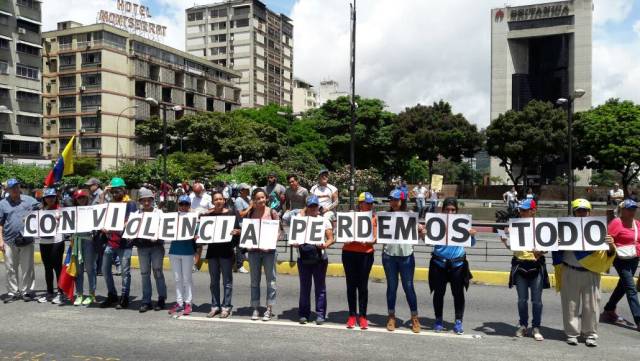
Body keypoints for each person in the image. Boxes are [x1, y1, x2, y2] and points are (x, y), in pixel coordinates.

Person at [552, 199, 616, 347]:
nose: (582, 213)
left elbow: (609, 254)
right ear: (574, 212)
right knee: (570, 305)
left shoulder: (599, 228)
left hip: (591, 272)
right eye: (578, 210)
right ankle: (572, 333)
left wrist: (611, 244)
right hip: (570, 270)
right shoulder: (564, 229)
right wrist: (557, 242)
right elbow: (553, 248)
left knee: (592, 306)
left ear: (589, 212)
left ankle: (590, 334)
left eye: (584, 210)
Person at [500, 199, 549, 341]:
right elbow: (512, 247)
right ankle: (523, 325)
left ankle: (536, 327)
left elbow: (547, 246)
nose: (521, 212)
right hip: (520, 264)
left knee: (537, 300)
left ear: (533, 211)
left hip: (536, 264)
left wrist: (541, 251)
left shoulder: (541, 226)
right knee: (522, 300)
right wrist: (506, 239)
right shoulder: (514, 225)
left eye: (525, 210)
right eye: (520, 210)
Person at [429, 197, 476, 335]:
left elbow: (471, 244)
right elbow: (427, 240)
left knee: (458, 294)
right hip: (439, 264)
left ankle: (458, 321)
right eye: (447, 209)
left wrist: (472, 235)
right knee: (438, 293)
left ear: (457, 211)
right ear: (443, 210)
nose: (450, 212)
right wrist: (423, 233)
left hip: (458, 265)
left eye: (453, 210)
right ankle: (438, 320)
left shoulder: (463, 224)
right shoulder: (436, 223)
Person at [383, 189, 422, 333]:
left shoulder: (411, 216)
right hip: (389, 255)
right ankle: (391, 316)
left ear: (403, 200)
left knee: (409, 287)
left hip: (406, 255)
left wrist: (421, 230)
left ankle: (415, 317)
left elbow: (419, 231)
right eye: (391, 199)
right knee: (391, 287)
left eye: (396, 200)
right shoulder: (386, 216)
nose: (393, 202)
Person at [295, 195, 335, 325]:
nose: (313, 208)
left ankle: (320, 314)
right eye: (310, 206)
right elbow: (294, 238)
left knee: (320, 287)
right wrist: (295, 243)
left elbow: (330, 238)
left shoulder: (324, 220)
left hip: (319, 258)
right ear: (306, 207)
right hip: (303, 258)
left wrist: (325, 245)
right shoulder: (300, 220)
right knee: (304, 287)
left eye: (315, 206)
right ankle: (303, 314)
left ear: (318, 207)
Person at [601, 199, 640, 329]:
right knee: (631, 289)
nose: (632, 211)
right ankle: (638, 319)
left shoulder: (637, 224)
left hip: (634, 258)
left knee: (622, 286)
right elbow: (607, 239)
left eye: (634, 208)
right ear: (622, 210)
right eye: (629, 209)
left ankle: (609, 309)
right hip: (620, 258)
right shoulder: (617, 222)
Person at [99, 177, 138, 310]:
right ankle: (112, 294)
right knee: (105, 269)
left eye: (118, 191)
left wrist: (114, 227)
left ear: (124, 190)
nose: (115, 193)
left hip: (124, 243)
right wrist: (103, 194)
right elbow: (100, 212)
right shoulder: (111, 202)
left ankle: (124, 297)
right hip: (111, 242)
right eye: (113, 191)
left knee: (125, 272)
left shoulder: (130, 203)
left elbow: (130, 222)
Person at [203, 191, 241, 319]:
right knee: (213, 281)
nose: (218, 201)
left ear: (224, 200)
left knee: (227, 281)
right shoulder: (208, 215)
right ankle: (215, 306)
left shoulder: (232, 213)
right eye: (216, 199)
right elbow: (203, 233)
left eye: (220, 199)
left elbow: (239, 231)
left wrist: (237, 232)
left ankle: (226, 306)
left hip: (226, 252)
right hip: (212, 252)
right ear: (213, 202)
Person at [0, 179, 39, 303]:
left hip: (27, 239)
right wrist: (0, 240)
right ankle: (13, 292)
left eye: (17, 187)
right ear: (8, 190)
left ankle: (28, 291)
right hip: (9, 240)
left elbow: (43, 209)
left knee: (27, 267)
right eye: (12, 188)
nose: (15, 189)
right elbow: (0, 224)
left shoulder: (30, 201)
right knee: (10, 267)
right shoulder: (2, 204)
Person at [342, 192, 376, 329]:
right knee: (351, 285)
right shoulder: (350, 216)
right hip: (349, 253)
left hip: (366, 254)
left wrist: (369, 242)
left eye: (370, 203)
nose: (368, 205)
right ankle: (351, 315)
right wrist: (345, 239)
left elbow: (375, 238)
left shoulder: (374, 218)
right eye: (366, 203)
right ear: (360, 203)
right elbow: (341, 233)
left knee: (363, 286)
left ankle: (362, 316)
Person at [247, 188, 280, 321]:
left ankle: (269, 308)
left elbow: (279, 231)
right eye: (258, 198)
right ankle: (255, 307)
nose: (260, 200)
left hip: (269, 252)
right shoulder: (250, 213)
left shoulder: (272, 212)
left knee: (271, 281)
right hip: (254, 252)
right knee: (254, 281)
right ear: (254, 200)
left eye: (262, 197)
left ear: (266, 198)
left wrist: (271, 243)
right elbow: (247, 231)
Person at [133, 187, 167, 312]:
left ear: (152, 200)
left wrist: (158, 236)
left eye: (149, 200)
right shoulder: (136, 215)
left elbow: (164, 228)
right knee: (144, 274)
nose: (146, 203)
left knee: (158, 272)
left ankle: (161, 298)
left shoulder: (159, 213)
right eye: (143, 201)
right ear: (140, 201)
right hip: (142, 248)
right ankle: (146, 300)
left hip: (156, 247)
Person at [168, 195, 198, 316]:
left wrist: (196, 236)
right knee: (177, 279)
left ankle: (188, 303)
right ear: (178, 205)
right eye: (181, 204)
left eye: (186, 204)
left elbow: (198, 232)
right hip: (174, 250)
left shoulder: (193, 218)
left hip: (187, 251)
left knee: (187, 279)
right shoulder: (172, 217)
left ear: (189, 206)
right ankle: (179, 302)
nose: (184, 207)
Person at [36, 188, 66, 304]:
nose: (50, 199)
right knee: (47, 268)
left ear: (56, 197)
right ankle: (49, 292)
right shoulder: (40, 209)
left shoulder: (61, 209)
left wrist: (61, 219)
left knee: (57, 267)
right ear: (44, 198)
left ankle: (60, 293)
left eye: (52, 197)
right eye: (48, 197)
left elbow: (68, 223)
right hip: (44, 242)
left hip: (57, 241)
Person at [72, 189, 98, 306]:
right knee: (78, 270)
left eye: (83, 197)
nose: (81, 200)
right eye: (79, 198)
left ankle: (92, 294)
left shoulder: (92, 210)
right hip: (77, 241)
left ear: (87, 198)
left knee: (90, 269)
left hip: (89, 241)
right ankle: (79, 294)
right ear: (76, 200)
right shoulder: (72, 211)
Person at [233, 183, 251, 273]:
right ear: (241, 191)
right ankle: (239, 265)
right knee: (240, 246)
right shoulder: (238, 200)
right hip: (240, 225)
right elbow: (241, 214)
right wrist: (250, 207)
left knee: (245, 245)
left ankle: (238, 263)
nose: (248, 190)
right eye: (246, 189)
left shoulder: (248, 199)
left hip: (248, 225)